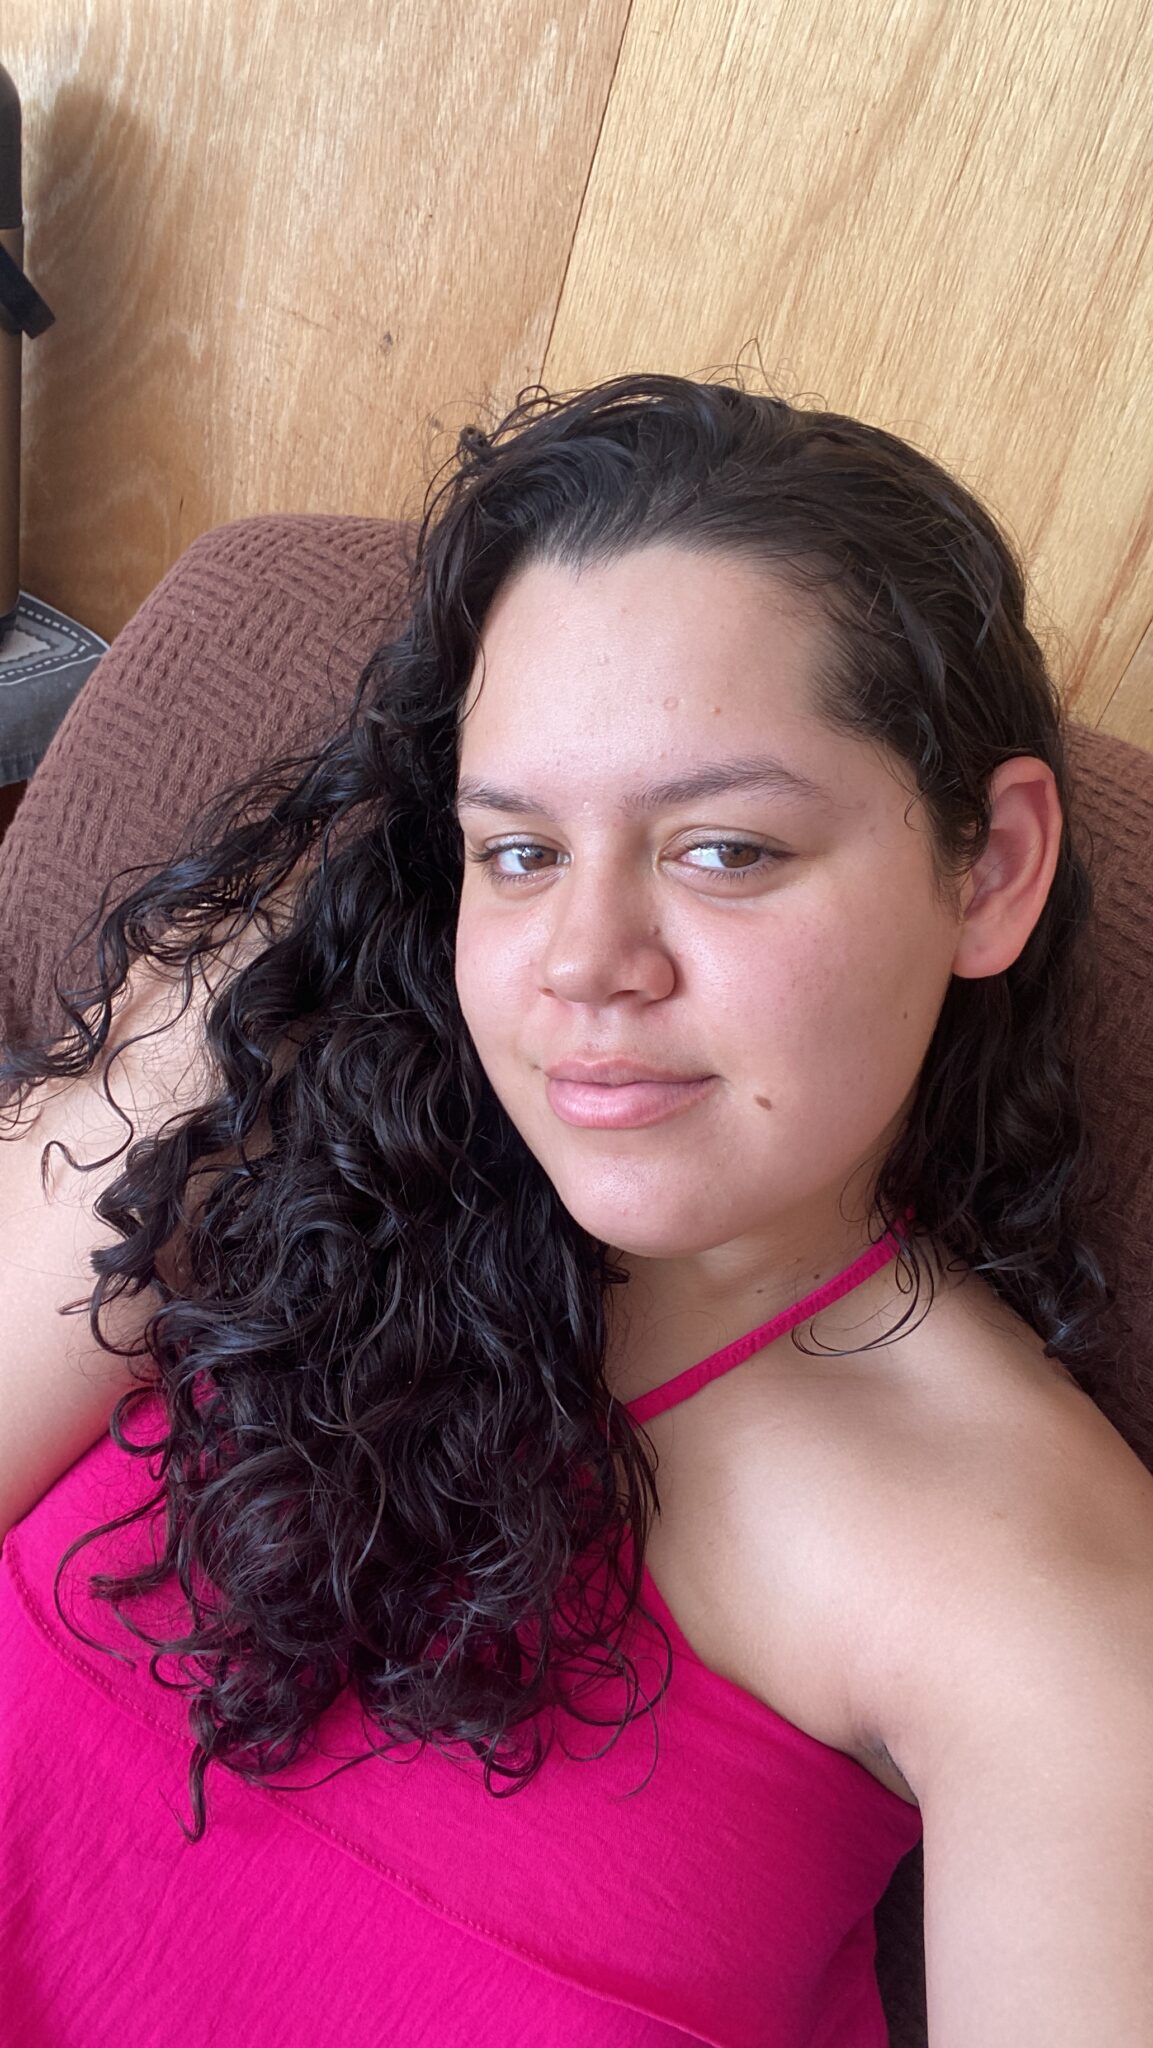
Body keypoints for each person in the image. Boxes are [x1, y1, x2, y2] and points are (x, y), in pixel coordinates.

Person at [1, 371, 1151, 2046]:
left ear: (988, 867)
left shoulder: (1037, 1595)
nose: (583, 966)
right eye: (520, 852)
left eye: (724, 850)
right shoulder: (264, 1096)